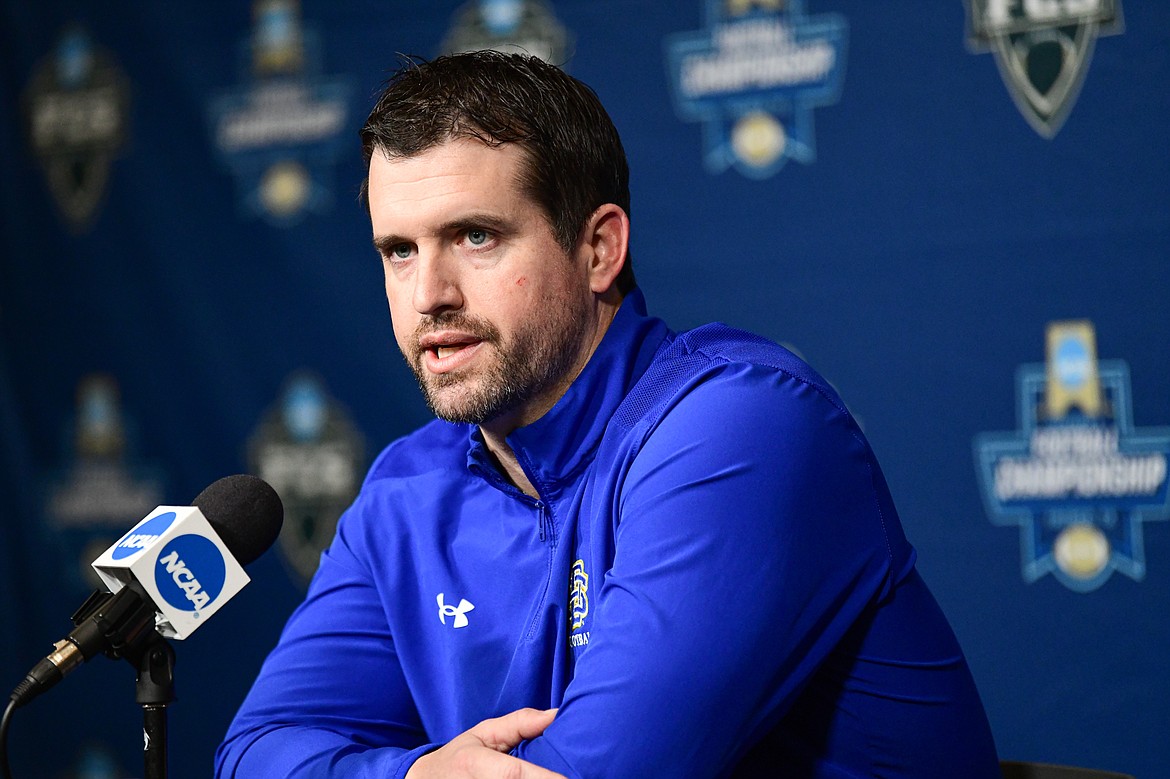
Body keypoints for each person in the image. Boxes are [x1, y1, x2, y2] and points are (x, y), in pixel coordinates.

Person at [215, 51, 1000, 778]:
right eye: (399, 250)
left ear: (599, 249)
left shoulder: (741, 429)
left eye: (476, 236)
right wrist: (412, 773)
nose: (430, 295)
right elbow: (253, 751)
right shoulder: (408, 490)